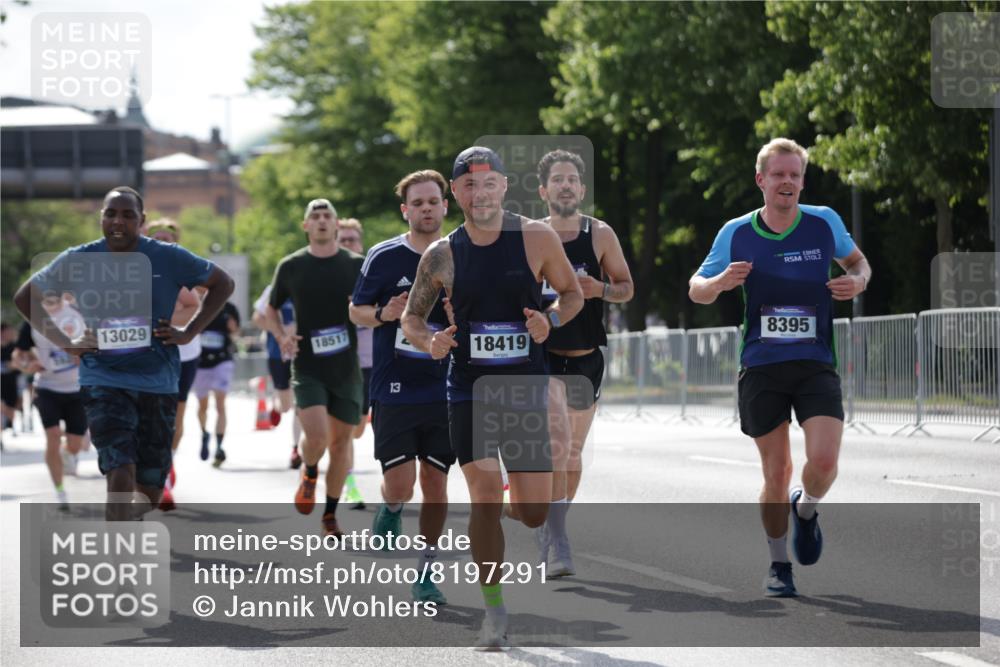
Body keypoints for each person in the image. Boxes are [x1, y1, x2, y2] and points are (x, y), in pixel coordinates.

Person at [401, 147, 583, 649]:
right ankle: (494, 611)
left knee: (533, 513)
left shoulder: (536, 237)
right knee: (482, 495)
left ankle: (514, 500)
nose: (479, 194)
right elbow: (412, 318)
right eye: (468, 185)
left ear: (504, 186)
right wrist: (428, 341)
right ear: (455, 192)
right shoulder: (441, 254)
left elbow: (572, 295)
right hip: (470, 390)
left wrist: (552, 321)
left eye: (488, 184)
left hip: (524, 388)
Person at [688, 138, 871, 597]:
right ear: (761, 181)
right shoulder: (737, 232)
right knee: (776, 472)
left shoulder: (824, 222)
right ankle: (778, 565)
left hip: (814, 362)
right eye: (778, 174)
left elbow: (858, 261)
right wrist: (719, 281)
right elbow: (696, 289)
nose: (786, 182)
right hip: (762, 365)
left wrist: (858, 281)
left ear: (802, 181)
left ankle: (806, 511)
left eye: (794, 174)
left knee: (824, 461)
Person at [13, 186, 234, 519]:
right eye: (111, 213)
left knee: (150, 488)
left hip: (157, 380)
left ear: (141, 220)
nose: (118, 221)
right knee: (119, 469)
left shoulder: (168, 256)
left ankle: (130, 521)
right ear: (101, 217)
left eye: (128, 214)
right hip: (102, 377)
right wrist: (65, 341)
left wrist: (189, 332)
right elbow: (25, 296)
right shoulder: (79, 259)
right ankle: (120, 555)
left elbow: (223, 283)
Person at [350, 170, 455, 605]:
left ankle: (426, 573)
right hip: (394, 385)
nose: (426, 208)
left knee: (435, 481)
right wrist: (383, 314)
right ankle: (391, 508)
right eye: (418, 202)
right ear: (405, 210)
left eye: (434, 201)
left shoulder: (462, 253)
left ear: (445, 207)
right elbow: (356, 311)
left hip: (445, 386)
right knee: (401, 484)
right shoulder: (383, 255)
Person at [534, 149, 634, 577]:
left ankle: (555, 526)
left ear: (582, 188)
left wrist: (599, 291)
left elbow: (626, 288)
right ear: (544, 190)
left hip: (586, 356)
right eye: (557, 179)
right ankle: (558, 541)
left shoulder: (600, 234)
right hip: (542, 356)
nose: (566, 185)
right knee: (557, 442)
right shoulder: (531, 236)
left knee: (572, 452)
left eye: (572, 178)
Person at [260, 198, 364, 538]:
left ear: (336, 225)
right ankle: (308, 471)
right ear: (306, 225)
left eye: (327, 216)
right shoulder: (291, 266)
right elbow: (269, 310)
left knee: (340, 445)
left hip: (346, 368)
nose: (321, 221)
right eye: (314, 216)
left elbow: (373, 305)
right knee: (317, 436)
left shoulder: (356, 265)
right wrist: (281, 336)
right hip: (307, 367)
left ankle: (330, 515)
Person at [143, 219, 203, 509]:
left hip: (186, 353)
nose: (163, 242)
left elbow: (194, 308)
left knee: (176, 417)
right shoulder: (143, 270)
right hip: (152, 353)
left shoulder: (187, 268)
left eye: (168, 238)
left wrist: (164, 321)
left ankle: (167, 465)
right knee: (152, 415)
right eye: (157, 238)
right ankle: (158, 468)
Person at [11, 295, 87, 509]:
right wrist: (27, 365)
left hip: (77, 389)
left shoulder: (77, 312)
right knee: (52, 436)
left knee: (75, 444)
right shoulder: (33, 321)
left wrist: (85, 354)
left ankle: (68, 452)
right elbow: (18, 355)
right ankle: (60, 492)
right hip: (47, 388)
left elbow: (96, 340)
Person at [251, 283, 302, 468]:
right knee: (287, 406)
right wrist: (280, 332)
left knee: (301, 403)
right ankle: (276, 404)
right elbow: (257, 318)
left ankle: (296, 448)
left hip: (303, 354)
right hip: (278, 353)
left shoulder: (312, 284)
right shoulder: (274, 289)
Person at [337, 218, 369, 510]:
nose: (347, 244)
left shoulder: (374, 272)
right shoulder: (327, 276)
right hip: (346, 366)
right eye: (342, 240)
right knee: (349, 430)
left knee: (359, 429)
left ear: (360, 243)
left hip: (379, 364)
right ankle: (350, 485)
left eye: (351, 240)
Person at [192, 300, 240, 467]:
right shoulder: (198, 306)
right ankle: (205, 433)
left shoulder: (229, 308)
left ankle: (219, 447)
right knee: (203, 406)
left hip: (223, 360)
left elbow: (237, 333)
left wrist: (233, 328)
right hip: (201, 363)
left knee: (220, 404)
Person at [1, 323, 21, 438]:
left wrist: (13, 365)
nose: (10, 334)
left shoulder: (15, 347)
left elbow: (21, 364)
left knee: (11, 408)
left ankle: (10, 425)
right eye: (8, 331)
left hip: (12, 382)